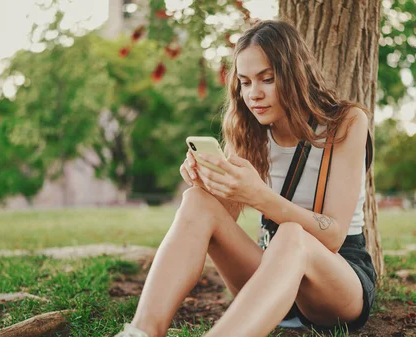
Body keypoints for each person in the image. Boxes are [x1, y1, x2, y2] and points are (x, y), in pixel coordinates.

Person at [115, 19, 376, 337]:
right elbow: (221, 223)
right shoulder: (248, 129)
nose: (254, 94)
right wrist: (209, 186)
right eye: (246, 82)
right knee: (196, 201)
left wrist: (258, 196)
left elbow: (333, 235)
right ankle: (141, 332)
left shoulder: (346, 122)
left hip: (336, 280)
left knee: (292, 236)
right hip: (271, 274)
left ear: (294, 75)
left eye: (267, 79)